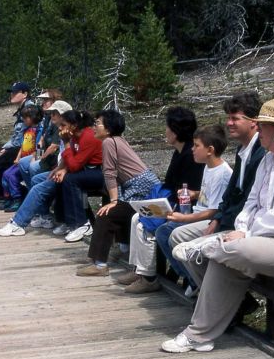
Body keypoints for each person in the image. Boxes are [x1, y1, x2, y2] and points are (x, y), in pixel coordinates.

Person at [162, 98, 274, 353]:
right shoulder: (270, 160)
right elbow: (252, 203)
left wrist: (245, 236)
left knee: (229, 251)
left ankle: (208, 248)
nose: (258, 128)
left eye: (263, 125)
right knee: (223, 255)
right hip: (272, 240)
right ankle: (200, 335)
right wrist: (243, 229)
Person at [167, 91, 265, 298]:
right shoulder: (242, 150)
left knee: (184, 240)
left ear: (254, 122)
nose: (229, 123)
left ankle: (220, 299)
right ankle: (214, 295)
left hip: (246, 227)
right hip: (230, 220)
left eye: (235, 118)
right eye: (228, 118)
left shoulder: (260, 153)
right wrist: (218, 218)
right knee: (176, 236)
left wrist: (221, 220)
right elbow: (231, 193)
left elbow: (249, 199)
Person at [123, 125, 232, 293]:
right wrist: (193, 194)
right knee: (157, 227)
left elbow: (214, 210)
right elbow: (207, 196)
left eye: (196, 146)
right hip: (197, 212)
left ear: (210, 150)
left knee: (165, 232)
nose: (193, 149)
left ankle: (193, 280)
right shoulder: (208, 167)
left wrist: (183, 219)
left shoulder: (222, 173)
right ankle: (188, 278)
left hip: (207, 220)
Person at [119, 107, 204, 289]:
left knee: (144, 225)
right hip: (172, 201)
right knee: (136, 218)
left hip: (185, 207)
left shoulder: (191, 155)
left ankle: (149, 277)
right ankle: (139, 270)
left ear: (175, 130)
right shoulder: (179, 151)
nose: (165, 132)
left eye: (167, 128)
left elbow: (192, 190)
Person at [76, 110, 160, 277]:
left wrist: (114, 200)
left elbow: (109, 173)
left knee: (106, 214)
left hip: (139, 189)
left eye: (98, 123)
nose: (94, 126)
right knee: (114, 206)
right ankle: (124, 247)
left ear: (108, 129)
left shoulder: (108, 142)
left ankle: (100, 264)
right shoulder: (118, 140)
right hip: (143, 186)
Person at [0, 100, 73, 236]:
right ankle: (40, 212)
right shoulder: (50, 123)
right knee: (29, 168)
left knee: (35, 174)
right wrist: (38, 156)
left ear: (62, 115)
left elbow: (60, 151)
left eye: (54, 113)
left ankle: (18, 223)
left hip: (56, 164)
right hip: (55, 163)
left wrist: (43, 159)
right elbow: (42, 143)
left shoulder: (67, 131)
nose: (50, 113)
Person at [54, 110, 104, 243]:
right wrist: (63, 169)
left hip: (101, 172)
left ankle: (82, 224)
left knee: (71, 180)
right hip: (86, 169)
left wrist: (65, 144)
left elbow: (75, 165)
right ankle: (67, 221)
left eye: (63, 125)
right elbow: (74, 160)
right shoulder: (75, 136)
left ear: (74, 125)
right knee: (59, 179)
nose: (60, 128)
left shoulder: (87, 137)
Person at [0, 82, 34, 202]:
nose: (12, 95)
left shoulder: (29, 109)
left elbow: (24, 136)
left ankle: (20, 193)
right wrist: (5, 147)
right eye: (12, 92)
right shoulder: (21, 109)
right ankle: (0, 194)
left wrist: (7, 149)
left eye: (15, 92)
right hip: (16, 145)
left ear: (25, 94)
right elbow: (16, 135)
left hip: (26, 147)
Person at [0, 104, 44, 212]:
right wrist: (18, 158)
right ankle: (8, 197)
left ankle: (17, 199)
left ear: (33, 117)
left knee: (12, 176)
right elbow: (23, 146)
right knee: (5, 174)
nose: (23, 119)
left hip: (30, 159)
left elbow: (39, 147)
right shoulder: (26, 130)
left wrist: (35, 159)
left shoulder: (39, 130)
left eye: (25, 117)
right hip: (22, 159)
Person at [18, 89, 63, 188]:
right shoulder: (47, 117)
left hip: (53, 157)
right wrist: (37, 156)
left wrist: (41, 158)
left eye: (46, 100)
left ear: (53, 101)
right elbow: (41, 140)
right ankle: (31, 191)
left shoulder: (58, 120)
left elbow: (54, 146)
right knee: (22, 163)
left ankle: (39, 192)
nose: (43, 103)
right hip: (44, 152)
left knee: (33, 166)